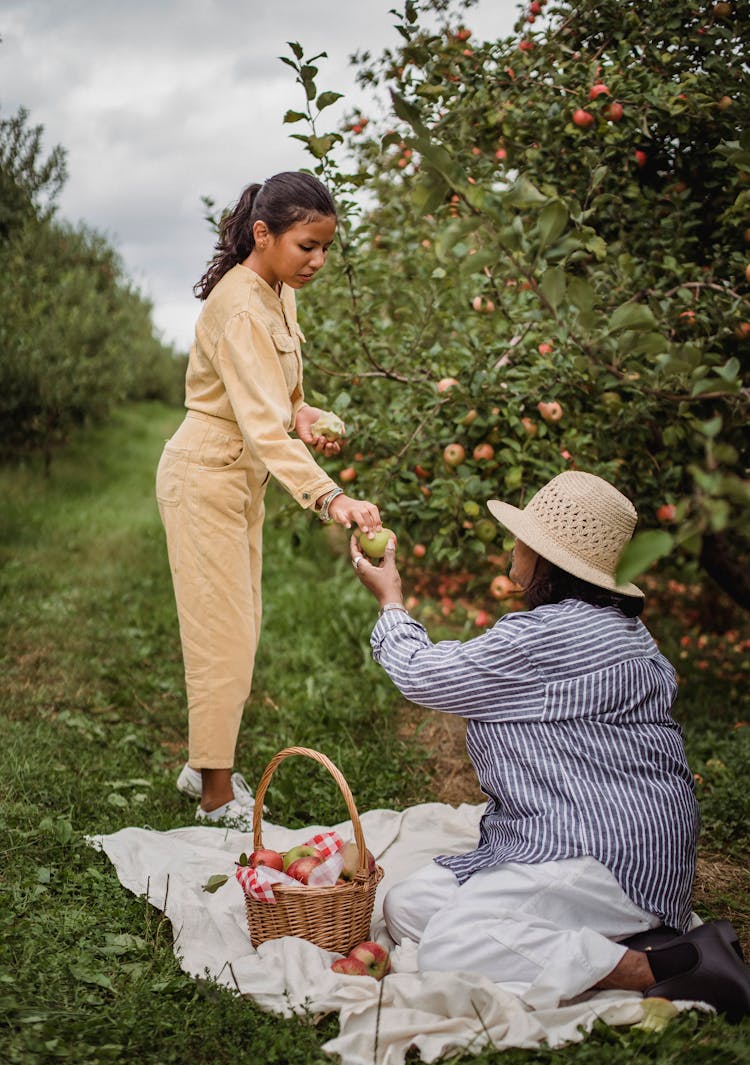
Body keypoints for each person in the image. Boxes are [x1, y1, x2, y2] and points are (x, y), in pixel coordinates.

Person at [349, 470, 750, 1021]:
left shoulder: (544, 637)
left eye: (523, 538)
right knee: (406, 907)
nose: (512, 545)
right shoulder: (616, 626)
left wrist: (390, 601)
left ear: (546, 559)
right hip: (608, 833)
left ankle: (670, 965)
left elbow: (424, 675)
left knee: (445, 946)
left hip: (603, 850)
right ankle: (633, 937)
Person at [156, 171, 381, 829]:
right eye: (306, 246)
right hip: (206, 474)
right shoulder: (242, 305)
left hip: (237, 476)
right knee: (221, 636)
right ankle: (215, 797)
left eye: (324, 248)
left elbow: (271, 399)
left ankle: (203, 762)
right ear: (264, 232)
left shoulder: (276, 292)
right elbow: (256, 424)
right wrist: (330, 497)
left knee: (242, 632)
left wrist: (303, 413)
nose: (316, 261)